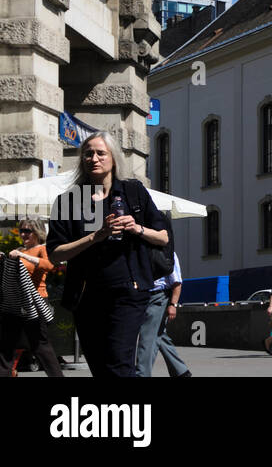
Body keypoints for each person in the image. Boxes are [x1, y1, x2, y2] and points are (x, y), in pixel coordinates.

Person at [47, 132, 169, 377]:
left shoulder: (133, 192)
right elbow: (55, 254)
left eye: (101, 153)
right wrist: (96, 235)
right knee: (101, 368)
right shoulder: (69, 200)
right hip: (86, 295)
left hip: (128, 291)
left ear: (113, 158)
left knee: (119, 365)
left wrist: (137, 228)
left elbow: (163, 237)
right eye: (88, 153)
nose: (94, 158)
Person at [0, 220, 63, 376]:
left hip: (36, 302)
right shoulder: (20, 249)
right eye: (21, 230)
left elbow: (49, 265)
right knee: (6, 344)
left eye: (27, 231)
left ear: (38, 232)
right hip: (16, 302)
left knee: (40, 345)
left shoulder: (42, 248)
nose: (23, 234)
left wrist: (21, 255)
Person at [135, 226, 191, 377]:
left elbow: (177, 282)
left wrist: (173, 304)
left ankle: (141, 374)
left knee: (147, 338)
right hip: (145, 296)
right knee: (159, 335)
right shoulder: (144, 251)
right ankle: (181, 372)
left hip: (158, 297)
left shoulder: (168, 253)